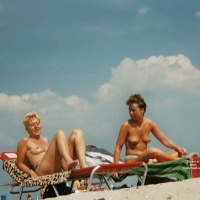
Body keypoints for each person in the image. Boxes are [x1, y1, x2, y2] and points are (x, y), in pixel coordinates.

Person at [113, 94, 198, 179]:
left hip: (146, 160)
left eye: (133, 110)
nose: (130, 113)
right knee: (152, 151)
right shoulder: (126, 125)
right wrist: (115, 168)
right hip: (132, 162)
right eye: (129, 110)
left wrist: (178, 148)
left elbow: (164, 140)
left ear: (142, 110)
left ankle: (159, 160)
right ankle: (185, 161)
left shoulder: (150, 123)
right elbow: (118, 147)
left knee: (177, 152)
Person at [17, 111, 87, 178]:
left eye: (37, 124)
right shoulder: (25, 141)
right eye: (32, 125)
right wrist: (31, 172)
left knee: (77, 132)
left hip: (58, 167)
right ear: (27, 129)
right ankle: (68, 160)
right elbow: (20, 163)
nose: (36, 126)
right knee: (60, 133)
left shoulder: (45, 139)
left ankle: (83, 165)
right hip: (43, 170)